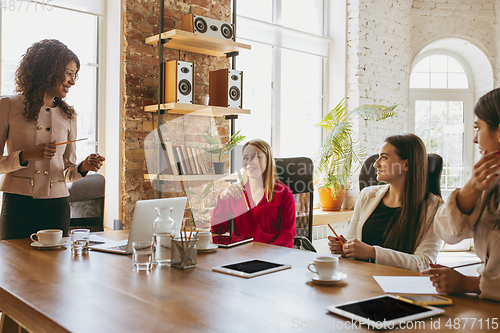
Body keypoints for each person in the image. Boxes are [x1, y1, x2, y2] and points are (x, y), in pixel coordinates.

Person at [0, 39, 105, 240]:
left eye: (74, 76)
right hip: (18, 205)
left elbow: (67, 172)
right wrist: (26, 155)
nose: (72, 81)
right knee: (14, 268)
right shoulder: (7, 105)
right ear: (47, 69)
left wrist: (84, 166)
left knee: (55, 271)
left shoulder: (69, 115)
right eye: (68, 74)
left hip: (57, 207)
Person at [421, 88, 500, 302]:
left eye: (478, 128)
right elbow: (447, 233)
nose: (475, 139)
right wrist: (472, 188)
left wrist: (470, 284)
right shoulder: (490, 184)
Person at [328, 134, 443, 271]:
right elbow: (353, 242)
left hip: (401, 287)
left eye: (384, 157)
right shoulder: (367, 195)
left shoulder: (435, 208)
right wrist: (346, 248)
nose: (376, 164)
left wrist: (373, 253)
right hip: (363, 280)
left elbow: (424, 263)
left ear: (406, 164)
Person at [210, 139, 296, 247]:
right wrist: (223, 198)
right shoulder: (236, 192)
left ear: (268, 160)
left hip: (271, 256)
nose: (249, 162)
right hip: (239, 255)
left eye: (256, 157)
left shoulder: (283, 193)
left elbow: (288, 235)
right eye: (245, 158)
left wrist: (269, 253)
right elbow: (218, 229)